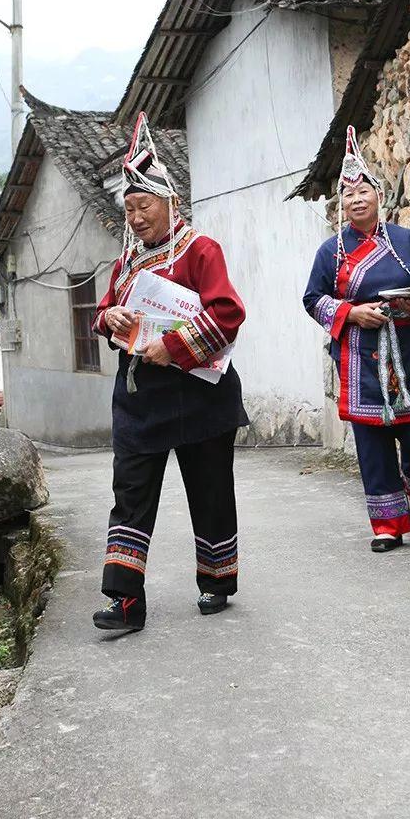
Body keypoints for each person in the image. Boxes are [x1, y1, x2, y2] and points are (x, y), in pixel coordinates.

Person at [91, 113, 248, 632]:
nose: (135, 217)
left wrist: (173, 345)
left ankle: (217, 580)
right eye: (129, 207)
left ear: (170, 204)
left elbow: (227, 314)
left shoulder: (201, 251)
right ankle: (125, 601)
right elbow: (105, 313)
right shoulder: (126, 263)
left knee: (210, 492)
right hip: (141, 402)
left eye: (144, 206)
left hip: (199, 397)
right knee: (131, 495)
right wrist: (107, 316)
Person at [303, 126, 410, 552]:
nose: (357, 199)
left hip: (406, 352)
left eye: (364, 190)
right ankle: (387, 525)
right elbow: (313, 299)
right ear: (341, 205)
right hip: (360, 356)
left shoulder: (406, 242)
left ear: (378, 195)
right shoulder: (331, 253)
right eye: (348, 195)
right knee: (372, 441)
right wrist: (350, 312)